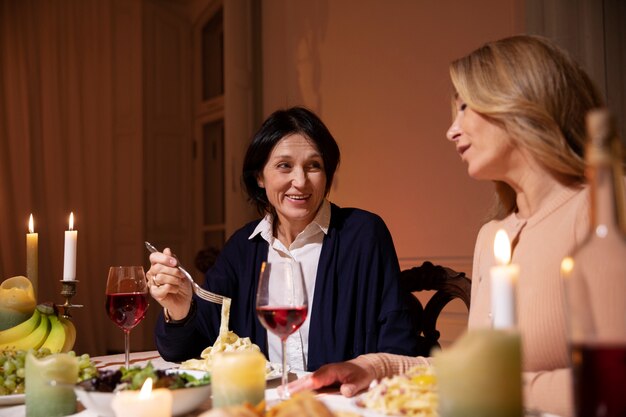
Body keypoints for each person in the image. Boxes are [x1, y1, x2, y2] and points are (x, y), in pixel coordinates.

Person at [287, 35, 607, 417]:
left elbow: (611, 386)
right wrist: (374, 367)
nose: (451, 131)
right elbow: (474, 374)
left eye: (465, 107)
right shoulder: (493, 236)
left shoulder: (600, 216)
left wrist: (500, 386)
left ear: (521, 103)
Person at [147, 106, 418, 372]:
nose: (300, 181)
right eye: (284, 166)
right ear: (259, 177)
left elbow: (398, 341)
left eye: (314, 166)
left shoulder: (363, 234)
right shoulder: (243, 248)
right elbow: (187, 349)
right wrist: (179, 308)